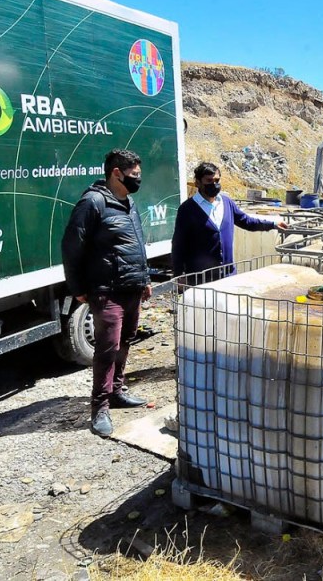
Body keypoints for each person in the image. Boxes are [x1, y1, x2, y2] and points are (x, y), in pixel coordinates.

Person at [62, 149, 152, 437]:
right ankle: (99, 407)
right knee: (106, 349)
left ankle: (116, 392)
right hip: (107, 291)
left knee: (125, 341)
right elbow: (71, 246)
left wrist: (145, 278)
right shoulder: (93, 203)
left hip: (132, 288)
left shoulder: (128, 202)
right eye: (135, 174)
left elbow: (137, 244)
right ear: (117, 173)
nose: (139, 179)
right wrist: (77, 288)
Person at [171, 162, 288, 283]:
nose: (214, 184)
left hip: (227, 275)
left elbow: (247, 221)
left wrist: (273, 224)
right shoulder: (187, 209)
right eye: (209, 181)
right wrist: (179, 274)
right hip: (201, 278)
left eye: (217, 180)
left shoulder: (227, 202)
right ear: (198, 182)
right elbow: (178, 244)